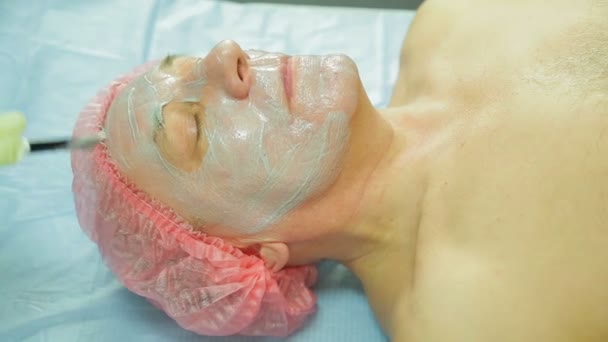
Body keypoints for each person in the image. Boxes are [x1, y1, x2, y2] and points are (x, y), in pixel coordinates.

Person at [72, 0, 608, 340]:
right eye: (194, 125)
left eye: (188, 63)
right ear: (251, 252)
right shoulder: (476, 313)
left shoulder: (453, 19)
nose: (224, 54)